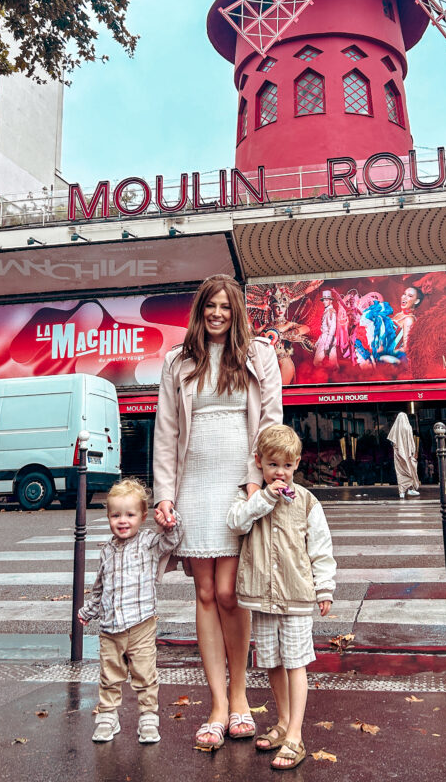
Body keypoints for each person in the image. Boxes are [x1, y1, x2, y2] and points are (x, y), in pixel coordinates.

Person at [152, 274, 283, 752]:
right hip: (194, 486)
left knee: (231, 592)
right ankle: (218, 705)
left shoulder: (259, 355)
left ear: (237, 312)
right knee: (205, 591)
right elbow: (166, 433)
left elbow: (271, 420)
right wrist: (165, 494)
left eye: (226, 307)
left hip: (237, 482)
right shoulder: (177, 362)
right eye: (211, 306)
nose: (218, 314)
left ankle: (241, 696)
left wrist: (256, 481)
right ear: (200, 310)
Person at [226, 424, 336, 771]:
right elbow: (236, 523)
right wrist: (263, 498)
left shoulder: (306, 501)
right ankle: (284, 722)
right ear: (259, 463)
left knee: (295, 663)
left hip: (296, 596)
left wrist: (325, 588)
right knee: (272, 662)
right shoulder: (251, 497)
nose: (280, 473)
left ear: (297, 465)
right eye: (273, 465)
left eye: (287, 466)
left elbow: (321, 548)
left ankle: (296, 735)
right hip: (262, 596)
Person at [78, 478, 182, 745]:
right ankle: (107, 716)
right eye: (116, 515)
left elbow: (172, 541)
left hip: (141, 626)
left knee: (145, 674)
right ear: (109, 517)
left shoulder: (148, 542)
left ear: (143, 516)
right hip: (110, 629)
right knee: (109, 675)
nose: (122, 521)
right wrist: (88, 611)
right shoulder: (107, 550)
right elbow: (99, 586)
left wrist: (168, 523)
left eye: (130, 515)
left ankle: (148, 717)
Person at [388, 411, 420, 498]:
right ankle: (410, 489)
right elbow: (411, 440)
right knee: (410, 470)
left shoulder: (395, 428)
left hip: (399, 453)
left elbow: (392, 441)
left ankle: (402, 491)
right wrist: (413, 450)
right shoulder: (408, 427)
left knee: (401, 472)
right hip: (408, 453)